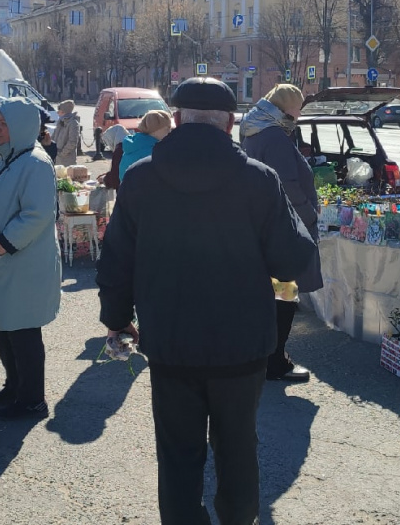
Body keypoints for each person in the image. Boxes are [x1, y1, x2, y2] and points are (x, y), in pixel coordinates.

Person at [97, 78, 316, 525]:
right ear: (231, 122)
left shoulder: (140, 179)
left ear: (177, 120)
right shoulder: (258, 180)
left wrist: (117, 320)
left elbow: (116, 259)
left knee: (178, 454)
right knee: (237, 450)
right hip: (242, 346)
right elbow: (293, 259)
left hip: (170, 342)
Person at [0, 98, 61, 421]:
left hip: (22, 267)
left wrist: (3, 242)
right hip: (4, 267)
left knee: (22, 333)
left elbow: (38, 215)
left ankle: (32, 399)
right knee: (2, 326)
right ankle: (15, 386)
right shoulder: (7, 158)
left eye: (3, 124)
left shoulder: (35, 163)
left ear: (20, 126)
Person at [239, 84, 321, 382]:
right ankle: (275, 362)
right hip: (283, 229)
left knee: (271, 296)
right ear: (287, 107)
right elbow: (286, 183)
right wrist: (309, 215)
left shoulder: (256, 129)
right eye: (299, 106)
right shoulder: (274, 136)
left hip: (261, 225)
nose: (301, 113)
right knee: (284, 295)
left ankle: (263, 356)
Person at [119, 110, 172, 181]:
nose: (169, 131)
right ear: (155, 129)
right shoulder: (153, 151)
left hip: (128, 189)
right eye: (167, 128)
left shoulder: (132, 145)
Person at [99, 125, 129, 190]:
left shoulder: (119, 150)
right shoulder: (129, 144)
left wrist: (104, 178)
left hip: (125, 189)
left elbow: (115, 177)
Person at [52, 100, 81, 167]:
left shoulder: (73, 123)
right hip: (57, 158)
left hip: (67, 160)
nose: (57, 112)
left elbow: (72, 142)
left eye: (59, 111)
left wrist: (62, 153)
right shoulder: (60, 121)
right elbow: (54, 136)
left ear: (63, 112)